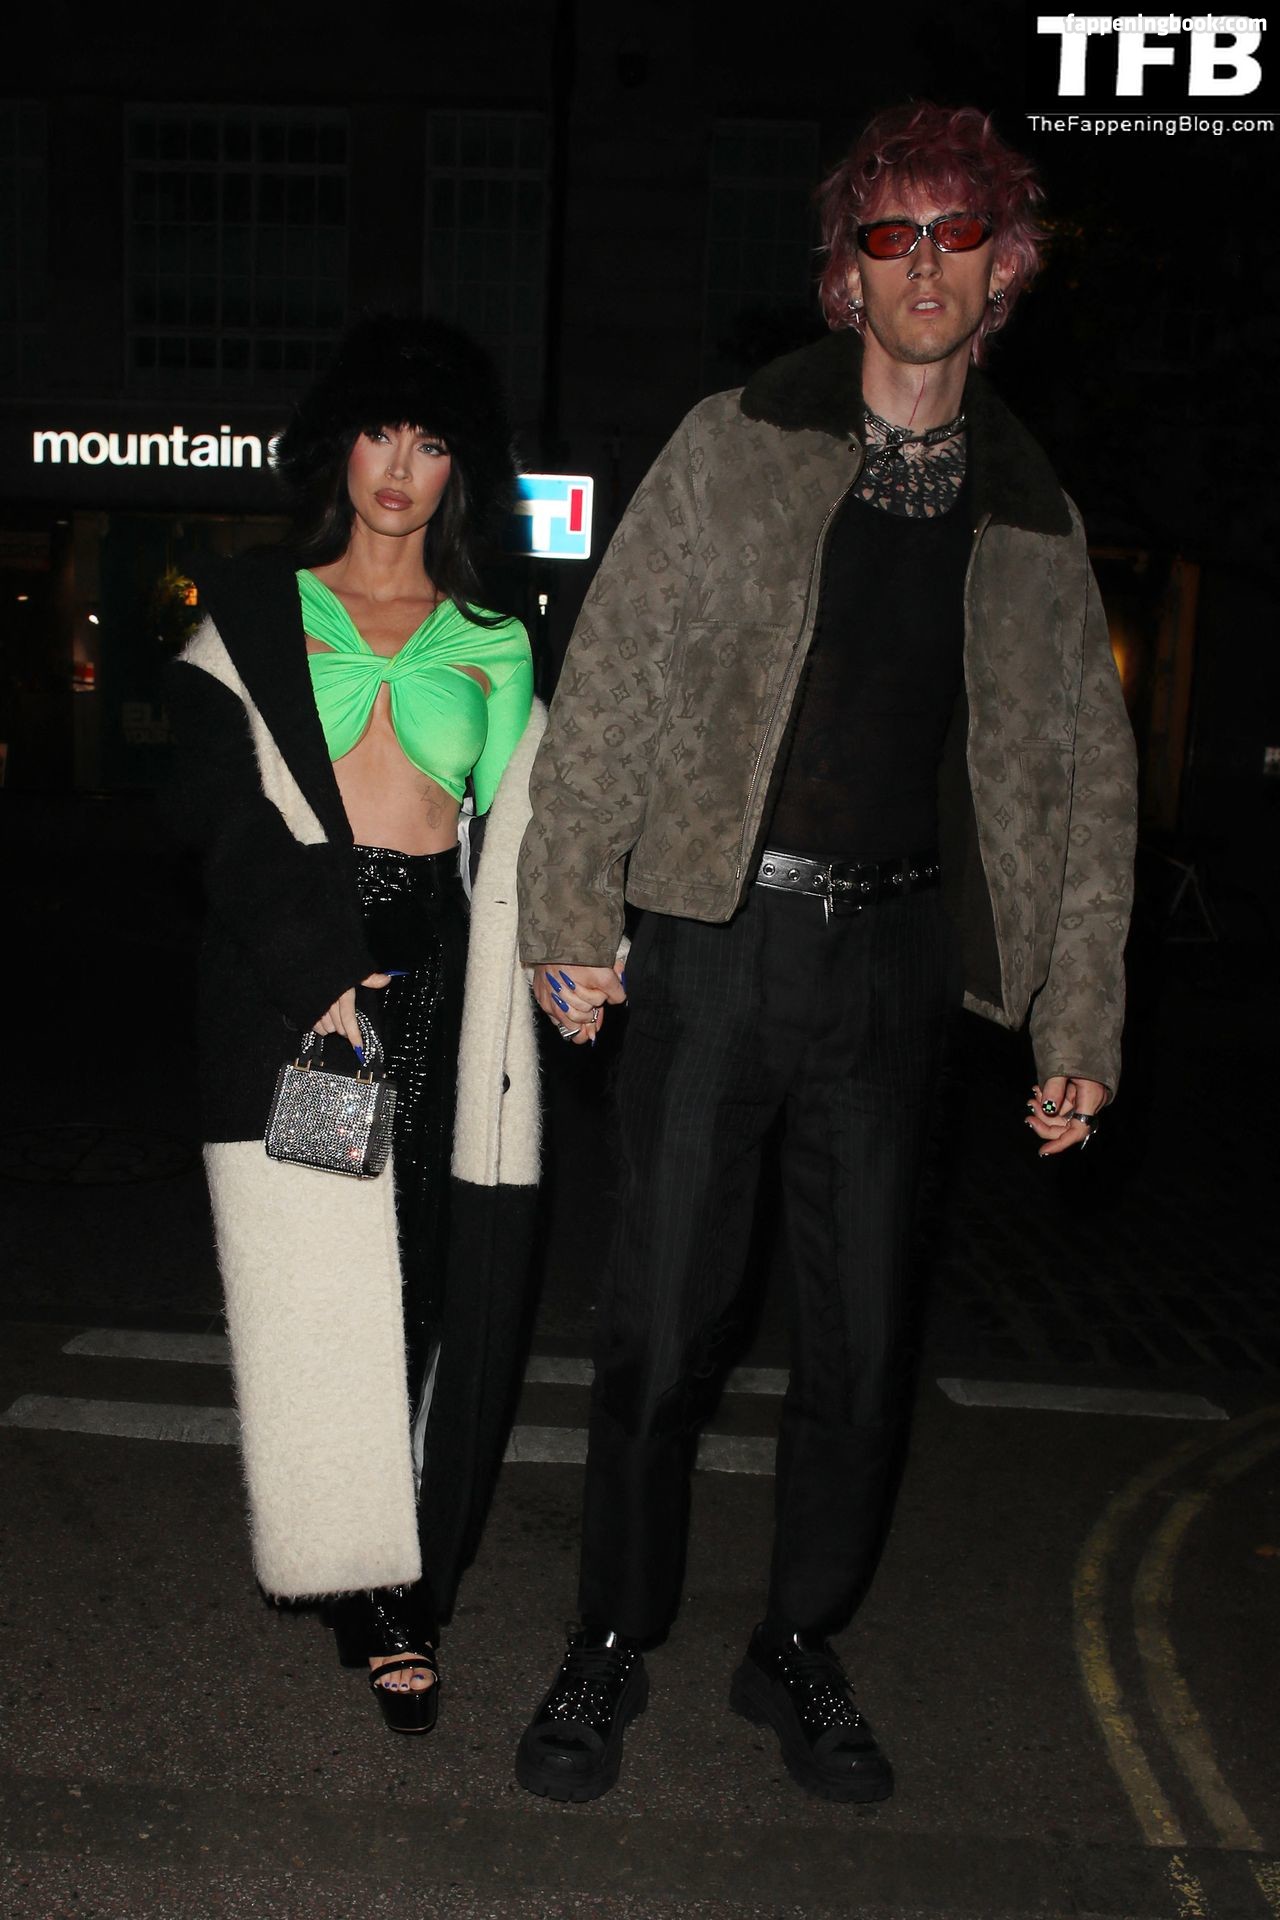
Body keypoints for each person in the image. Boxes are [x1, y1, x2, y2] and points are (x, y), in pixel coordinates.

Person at [515, 102, 1137, 1802]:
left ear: (1006, 270)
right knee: (661, 1328)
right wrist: (570, 916)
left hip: (898, 967)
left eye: (958, 234)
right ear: (847, 274)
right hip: (715, 939)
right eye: (890, 235)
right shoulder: (735, 444)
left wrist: (1080, 1016)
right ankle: (610, 1635)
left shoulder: (1033, 513)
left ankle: (796, 1640)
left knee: (862, 1349)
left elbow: (1088, 778)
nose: (924, 264)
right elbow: (613, 679)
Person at [167, 314, 543, 1735]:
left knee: (423, 1270)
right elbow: (211, 808)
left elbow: (529, 831)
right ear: (339, 446)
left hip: (435, 969)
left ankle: (388, 1550)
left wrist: (577, 957)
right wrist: (313, 962)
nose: (400, 466)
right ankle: (372, 1580)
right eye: (381, 433)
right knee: (320, 1272)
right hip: (298, 971)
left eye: (432, 442)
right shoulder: (258, 614)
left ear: (462, 468)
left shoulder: (496, 639)